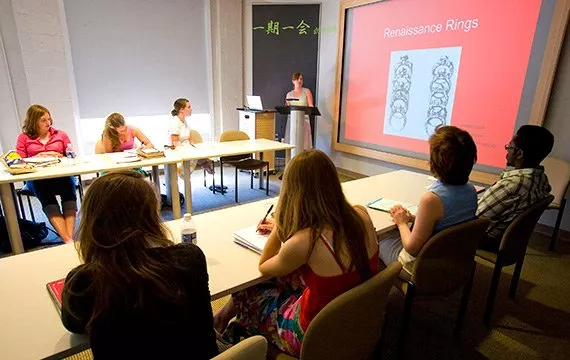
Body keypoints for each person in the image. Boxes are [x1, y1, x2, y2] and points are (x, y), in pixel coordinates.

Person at [213, 149, 380, 357]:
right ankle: (222, 317)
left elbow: (264, 266)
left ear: (293, 191)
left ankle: (232, 332)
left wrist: (280, 226)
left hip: (312, 333)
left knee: (248, 290)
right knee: (285, 276)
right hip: (352, 315)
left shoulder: (306, 241)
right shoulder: (361, 214)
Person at [61, 171, 219, 359]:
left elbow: (74, 325)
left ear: (92, 221)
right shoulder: (190, 257)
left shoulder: (84, 282)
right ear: (152, 215)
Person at [378, 126, 478, 270]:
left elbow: (412, 248)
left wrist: (401, 223)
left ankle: (375, 285)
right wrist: (414, 219)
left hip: (422, 265)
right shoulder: (471, 190)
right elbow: (446, 221)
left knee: (373, 237)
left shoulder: (432, 200)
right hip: (451, 257)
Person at [477, 125, 554, 251]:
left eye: (510, 147)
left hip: (487, 239)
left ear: (519, 153)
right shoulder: (541, 178)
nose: (507, 150)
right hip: (510, 241)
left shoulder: (512, 185)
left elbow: (475, 217)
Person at [15, 104, 77, 243]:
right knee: (47, 197)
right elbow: (18, 161)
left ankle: (69, 237)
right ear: (33, 121)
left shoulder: (60, 134)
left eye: (49, 119)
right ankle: (68, 240)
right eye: (43, 120)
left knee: (69, 192)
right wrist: (37, 157)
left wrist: (58, 155)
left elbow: (71, 156)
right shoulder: (24, 138)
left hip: (61, 174)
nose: (48, 123)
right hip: (38, 178)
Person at [169, 98, 213, 174]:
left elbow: (189, 139)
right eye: (189, 107)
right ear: (181, 109)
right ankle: (205, 164)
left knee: (205, 153)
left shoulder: (184, 121)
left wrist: (194, 147)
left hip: (187, 150)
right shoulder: (175, 123)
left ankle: (205, 163)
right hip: (179, 153)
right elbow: (175, 144)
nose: (191, 109)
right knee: (202, 158)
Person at [285, 72, 314, 150]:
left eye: (301, 79)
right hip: (292, 121)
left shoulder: (307, 91)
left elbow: (311, 106)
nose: (299, 81)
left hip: (304, 121)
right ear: (293, 81)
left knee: (304, 144)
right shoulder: (289, 94)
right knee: (292, 144)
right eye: (297, 79)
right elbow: (287, 109)